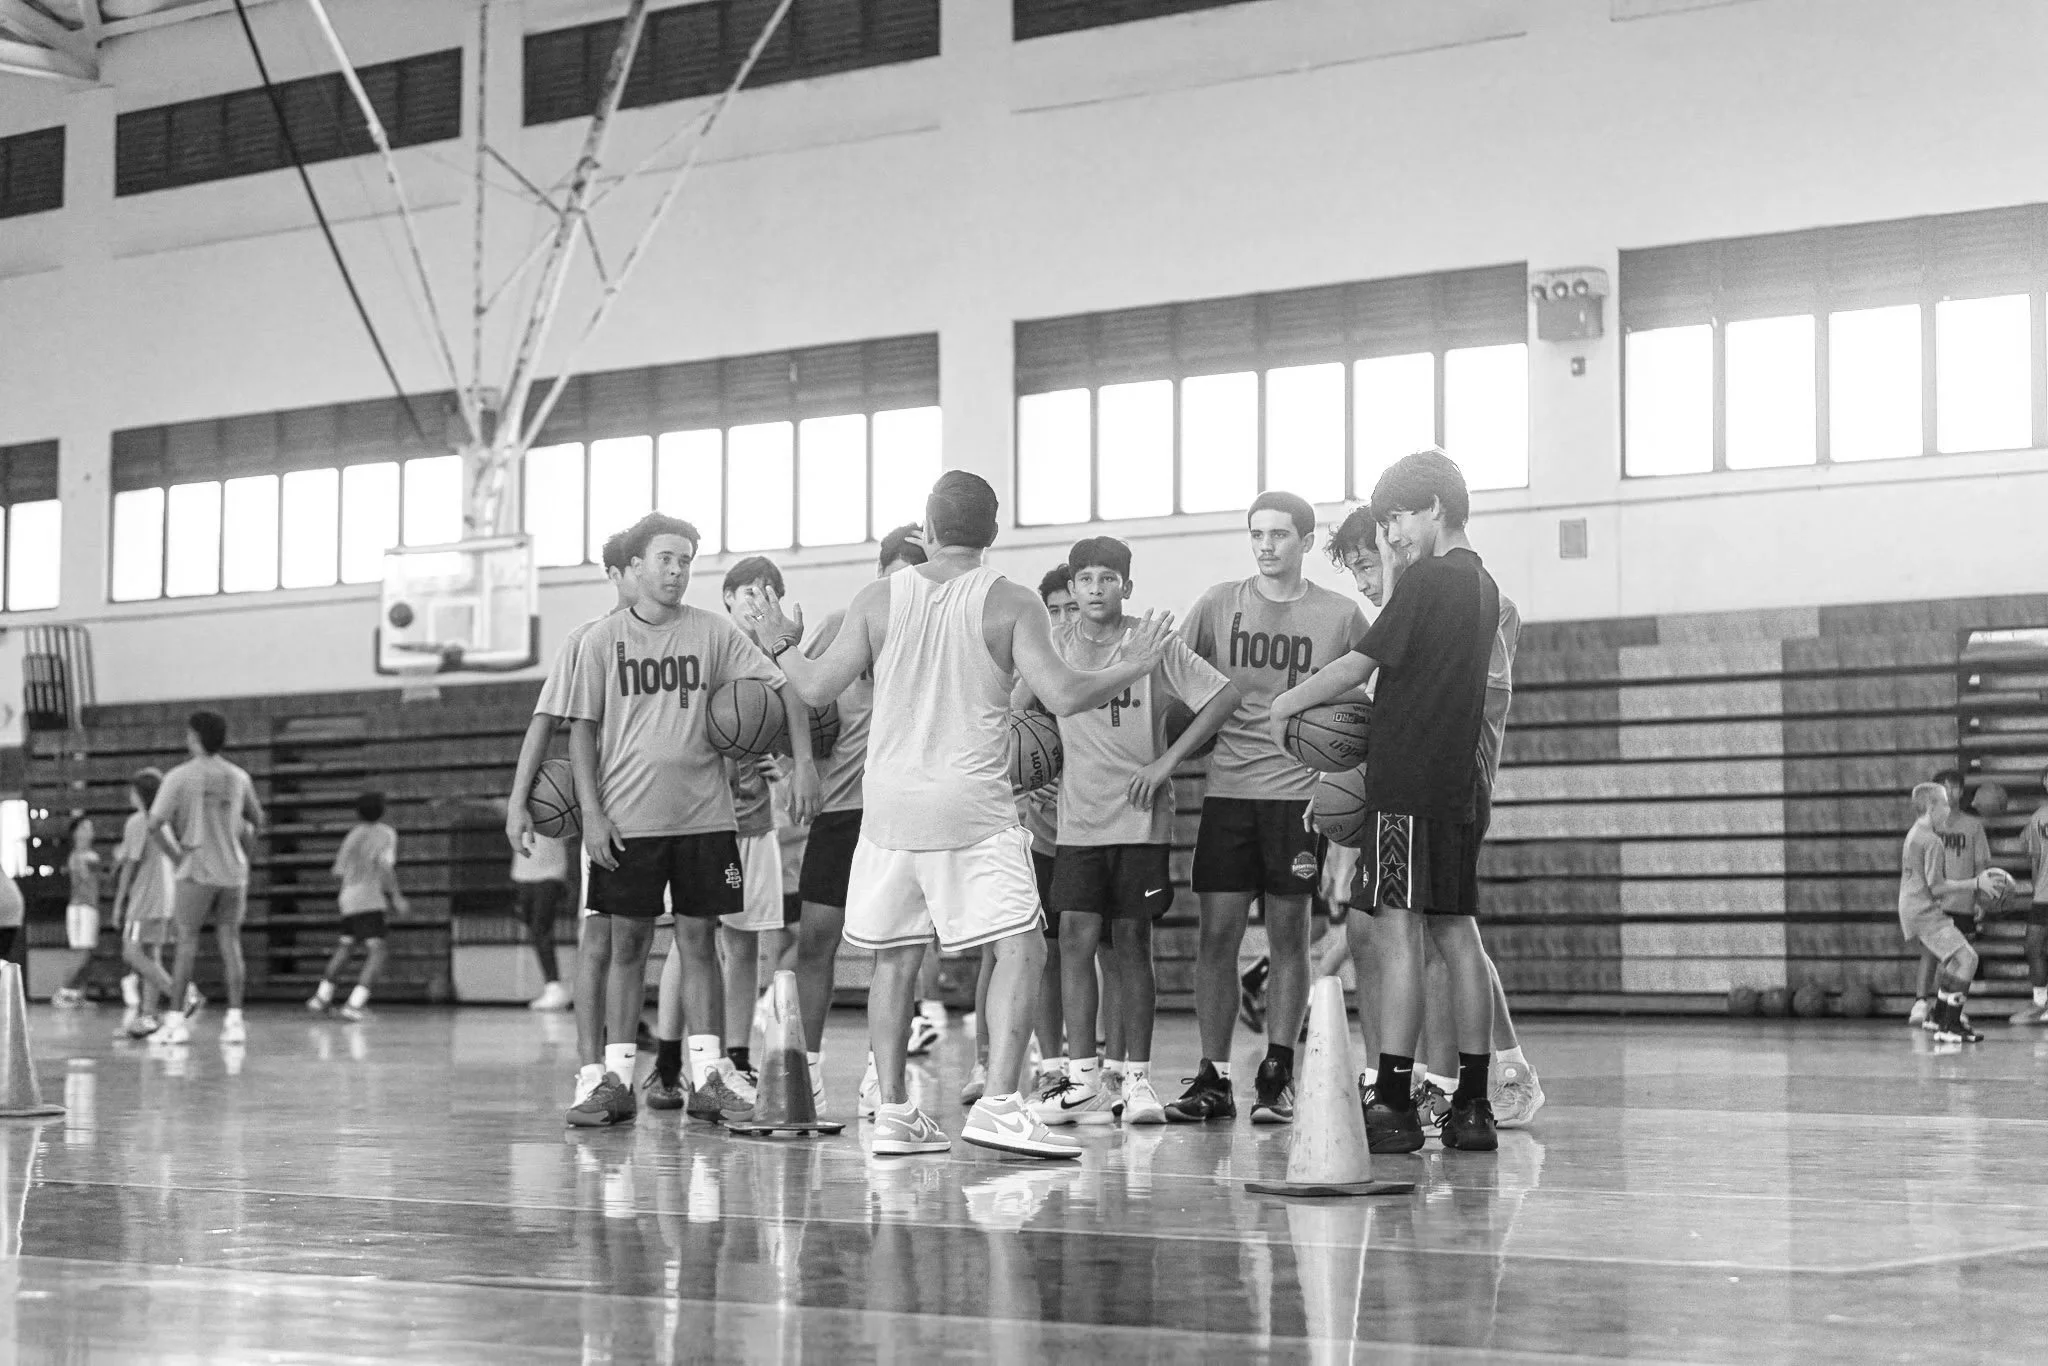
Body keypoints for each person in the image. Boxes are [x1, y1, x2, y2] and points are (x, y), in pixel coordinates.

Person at [746, 470, 1175, 1158]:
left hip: (886, 808)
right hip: (971, 805)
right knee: (1021, 947)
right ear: (994, 532)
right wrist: (1135, 663)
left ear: (928, 528)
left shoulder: (877, 598)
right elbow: (1063, 696)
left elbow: (816, 686)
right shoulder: (1009, 600)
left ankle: (892, 1114)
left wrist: (777, 642)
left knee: (893, 960)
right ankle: (1001, 1105)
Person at [1271, 451, 1503, 1153]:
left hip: (1402, 787)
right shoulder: (1483, 584)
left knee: (1398, 933)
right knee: (1456, 935)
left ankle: (1396, 1100)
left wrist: (1289, 703)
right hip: (1455, 786)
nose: (1391, 534)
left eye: (1396, 517)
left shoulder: (1427, 578)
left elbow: (1357, 665)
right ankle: (1472, 1105)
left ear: (1435, 506)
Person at [1324, 507, 1546, 1129]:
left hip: (1454, 781)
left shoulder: (1476, 603)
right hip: (1420, 785)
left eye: (1370, 561)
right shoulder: (1415, 606)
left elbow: (1473, 704)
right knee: (1415, 932)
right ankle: (1425, 1079)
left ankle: (1494, 1071)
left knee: (1438, 933)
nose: (1365, 581)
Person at [562, 512, 784, 1128]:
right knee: (627, 944)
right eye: (666, 559)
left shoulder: (713, 632)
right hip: (626, 821)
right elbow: (580, 732)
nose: (677, 570)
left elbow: (775, 688)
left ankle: (709, 1076)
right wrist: (593, 814)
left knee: (700, 941)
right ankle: (614, 1080)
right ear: (634, 567)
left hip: (705, 820)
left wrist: (788, 753)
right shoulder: (603, 641)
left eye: (686, 560)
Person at [1170, 490, 1369, 1125]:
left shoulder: (1340, 616)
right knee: (1217, 937)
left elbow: (1373, 697)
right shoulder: (1216, 603)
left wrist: (1352, 786)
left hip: (1299, 799)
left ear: (1306, 542)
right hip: (1227, 791)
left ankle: (1278, 1069)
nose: (1266, 544)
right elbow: (1171, 677)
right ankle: (1214, 1075)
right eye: (1257, 532)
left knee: (1289, 936)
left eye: (1280, 534)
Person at [1024, 537, 1236, 1129]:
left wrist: (1167, 762)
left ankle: (1136, 1080)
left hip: (1140, 818)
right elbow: (1017, 716)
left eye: (1107, 578)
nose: (1095, 588)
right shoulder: (1054, 647)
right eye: (1084, 579)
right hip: (1077, 822)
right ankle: (1083, 1079)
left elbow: (1224, 697)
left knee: (1132, 943)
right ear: (1071, 589)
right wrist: (1029, 776)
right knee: (1073, 941)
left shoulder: (1154, 642)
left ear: (1127, 586)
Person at [794, 525, 928, 1108]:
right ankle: (807, 1068)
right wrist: (802, 763)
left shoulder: (933, 633)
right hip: (842, 805)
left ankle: (883, 1071)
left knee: (893, 947)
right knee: (815, 939)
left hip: (899, 811)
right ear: (879, 574)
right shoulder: (844, 622)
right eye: (893, 576)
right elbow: (797, 690)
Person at [509, 531, 636, 1091]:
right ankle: (595, 1071)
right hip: (605, 816)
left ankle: (681, 1068)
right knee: (602, 942)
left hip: (678, 814)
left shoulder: (685, 634)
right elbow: (546, 721)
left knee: (690, 941)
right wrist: (518, 802)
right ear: (615, 575)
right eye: (636, 567)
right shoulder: (586, 640)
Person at [716, 557, 820, 1085]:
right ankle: (681, 1057)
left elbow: (795, 724)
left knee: (746, 942)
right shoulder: (712, 650)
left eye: (767, 593)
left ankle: (734, 1057)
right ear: (727, 601)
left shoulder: (782, 662)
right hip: (704, 820)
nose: (757, 602)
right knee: (692, 942)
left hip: (757, 820)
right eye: (747, 593)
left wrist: (783, 758)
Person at [147, 710, 264, 1047]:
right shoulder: (238, 776)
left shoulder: (179, 777)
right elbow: (256, 819)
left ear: (195, 737)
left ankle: (174, 1023)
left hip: (196, 870)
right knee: (231, 944)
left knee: (186, 944)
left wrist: (175, 856)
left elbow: (155, 824)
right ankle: (235, 1022)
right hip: (233, 874)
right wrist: (244, 854)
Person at [1898, 782, 1986, 1043]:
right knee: (1968, 959)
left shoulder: (1916, 833)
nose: (1949, 809)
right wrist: (1975, 883)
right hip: (1922, 911)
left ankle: (1938, 1017)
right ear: (1931, 806)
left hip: (1915, 908)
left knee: (1956, 962)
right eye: (1945, 803)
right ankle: (1950, 1025)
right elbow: (1936, 886)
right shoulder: (1932, 840)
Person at [307, 792, 407, 1020]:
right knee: (378, 951)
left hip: (348, 897)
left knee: (346, 946)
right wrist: (396, 896)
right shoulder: (385, 834)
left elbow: (337, 871)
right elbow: (384, 866)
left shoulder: (353, 835)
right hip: (369, 898)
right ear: (383, 811)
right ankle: (355, 1004)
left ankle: (322, 997)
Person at [114, 768, 178, 1038]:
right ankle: (149, 1016)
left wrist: (119, 903)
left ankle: (181, 995)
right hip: (165, 898)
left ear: (139, 794)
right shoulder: (162, 821)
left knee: (131, 953)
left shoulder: (138, 822)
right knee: (151, 956)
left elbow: (130, 865)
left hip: (145, 899)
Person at [512, 829, 572, 1011]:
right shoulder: (517, 803)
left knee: (541, 928)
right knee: (534, 929)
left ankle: (554, 986)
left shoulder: (558, 804)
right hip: (522, 874)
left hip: (550, 873)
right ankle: (552, 985)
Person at [50, 817, 106, 1008]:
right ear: (76, 833)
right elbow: (91, 874)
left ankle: (77, 995)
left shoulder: (90, 856)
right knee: (81, 955)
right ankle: (63, 991)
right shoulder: (79, 857)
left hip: (89, 907)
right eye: (84, 827)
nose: (90, 831)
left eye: (91, 827)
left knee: (87, 954)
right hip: (81, 908)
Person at [2016, 768, 2048, 1025]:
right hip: (2044, 896)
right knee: (2032, 947)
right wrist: (2037, 889)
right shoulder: (2038, 818)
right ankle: (2040, 1002)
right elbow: (2035, 861)